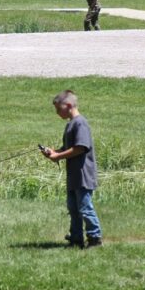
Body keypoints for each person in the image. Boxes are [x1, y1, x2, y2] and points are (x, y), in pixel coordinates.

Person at [41, 90, 102, 248]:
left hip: (83, 174)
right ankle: (76, 237)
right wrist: (54, 152)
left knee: (84, 207)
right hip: (74, 175)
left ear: (68, 105)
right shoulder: (71, 124)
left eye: (58, 109)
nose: (57, 113)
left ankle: (95, 237)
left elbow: (80, 148)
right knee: (73, 208)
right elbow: (69, 148)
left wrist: (58, 157)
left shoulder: (80, 123)